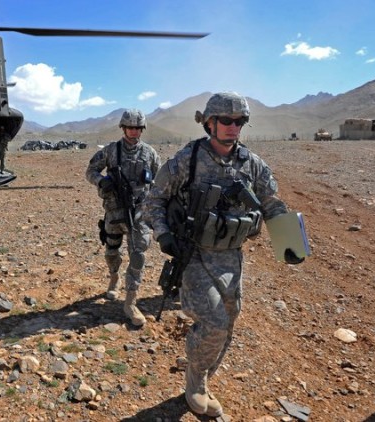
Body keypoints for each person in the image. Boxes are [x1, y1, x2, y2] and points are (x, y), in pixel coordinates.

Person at [143, 92, 305, 417]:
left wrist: (292, 243)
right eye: (227, 121)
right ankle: (196, 380)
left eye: (240, 122)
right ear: (210, 123)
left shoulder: (251, 164)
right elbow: (153, 200)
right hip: (194, 255)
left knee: (229, 321)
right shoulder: (187, 160)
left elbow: (271, 202)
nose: (234, 128)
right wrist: (163, 235)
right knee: (214, 323)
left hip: (232, 257)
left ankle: (201, 366)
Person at [86, 109, 161, 326]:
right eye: (130, 127)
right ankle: (114, 277)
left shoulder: (150, 153)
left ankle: (130, 302)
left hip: (139, 214)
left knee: (138, 256)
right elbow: (90, 170)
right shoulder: (111, 151)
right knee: (111, 251)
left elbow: (158, 182)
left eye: (138, 128)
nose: (134, 131)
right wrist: (101, 181)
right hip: (114, 212)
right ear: (123, 128)